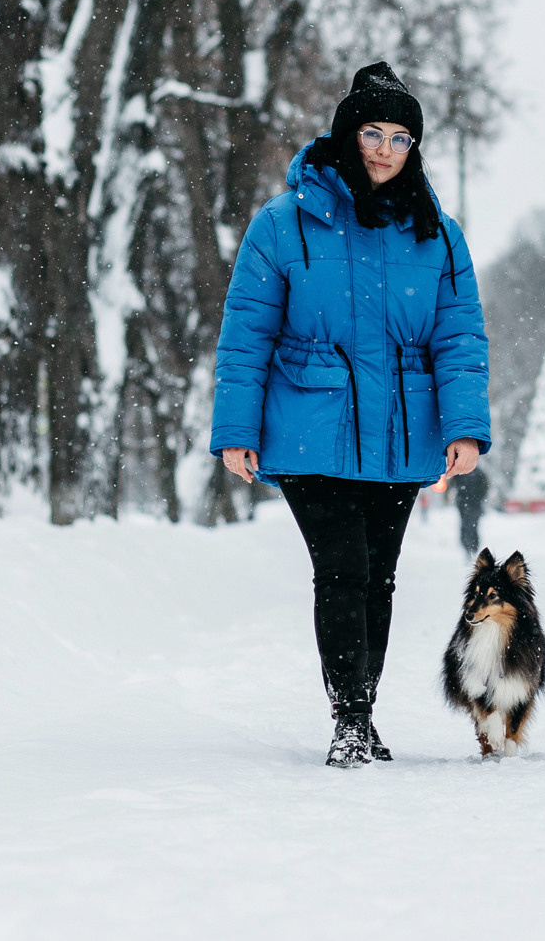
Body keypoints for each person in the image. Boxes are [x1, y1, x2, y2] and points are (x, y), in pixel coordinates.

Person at [210, 62, 491, 767]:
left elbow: (459, 337)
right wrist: (237, 430)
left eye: (400, 137)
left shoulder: (437, 233)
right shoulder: (283, 224)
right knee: (341, 569)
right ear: (346, 134)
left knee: (378, 575)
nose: (385, 150)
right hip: (311, 425)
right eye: (372, 133)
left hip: (401, 428)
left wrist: (464, 426)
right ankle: (351, 718)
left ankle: (362, 706)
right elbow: (246, 334)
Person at [451, 464, 490, 557]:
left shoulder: (460, 471)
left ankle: (468, 547)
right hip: (474, 504)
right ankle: (472, 547)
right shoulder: (479, 472)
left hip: (464, 503)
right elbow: (485, 487)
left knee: (465, 525)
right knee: (473, 526)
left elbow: (452, 485)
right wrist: (479, 498)